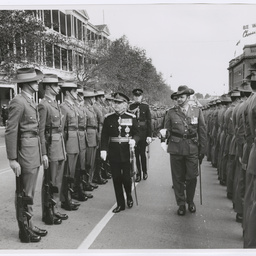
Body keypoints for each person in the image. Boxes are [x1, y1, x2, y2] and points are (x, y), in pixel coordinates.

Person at [5, 67, 47, 242]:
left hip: (33, 150)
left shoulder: (30, 100)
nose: (38, 83)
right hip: (25, 152)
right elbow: (11, 131)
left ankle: (29, 224)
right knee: (24, 192)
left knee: (30, 191)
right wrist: (12, 159)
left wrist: (42, 152)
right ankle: (24, 229)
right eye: (34, 81)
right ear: (26, 83)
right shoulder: (18, 101)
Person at [160, 85, 207, 216]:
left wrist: (203, 149)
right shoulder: (171, 112)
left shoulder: (197, 111)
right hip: (176, 148)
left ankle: (190, 200)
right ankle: (181, 204)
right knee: (178, 178)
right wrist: (163, 139)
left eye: (182, 97)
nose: (179, 99)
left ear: (187, 97)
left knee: (192, 176)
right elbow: (166, 130)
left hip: (192, 148)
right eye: (178, 97)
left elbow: (202, 131)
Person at [100, 92, 140, 213]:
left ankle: (128, 194)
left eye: (118, 102)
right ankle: (120, 203)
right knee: (116, 178)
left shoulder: (131, 117)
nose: (115, 105)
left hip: (127, 152)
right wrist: (103, 149)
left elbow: (138, 133)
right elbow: (104, 136)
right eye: (114, 102)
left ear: (125, 104)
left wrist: (134, 140)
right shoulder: (108, 118)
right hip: (113, 152)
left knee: (127, 179)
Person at [38, 74, 68, 224]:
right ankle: (48, 211)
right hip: (51, 147)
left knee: (58, 181)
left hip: (59, 144)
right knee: (50, 181)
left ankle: (55, 208)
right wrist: (43, 153)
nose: (58, 88)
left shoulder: (55, 104)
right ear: (49, 87)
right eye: (56, 85)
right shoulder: (44, 105)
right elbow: (41, 131)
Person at [59, 81, 80, 211]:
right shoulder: (63, 107)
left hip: (75, 141)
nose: (76, 93)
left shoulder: (72, 107)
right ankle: (65, 199)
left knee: (71, 172)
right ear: (68, 93)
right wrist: (63, 147)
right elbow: (61, 130)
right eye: (74, 91)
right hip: (69, 143)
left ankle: (69, 196)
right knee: (66, 173)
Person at [128, 89, 152, 182]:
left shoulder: (145, 107)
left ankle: (145, 171)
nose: (137, 97)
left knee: (142, 153)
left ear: (141, 97)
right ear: (133, 97)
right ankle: (138, 173)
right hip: (134, 132)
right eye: (135, 96)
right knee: (136, 154)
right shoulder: (130, 107)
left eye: (139, 96)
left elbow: (149, 121)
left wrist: (149, 135)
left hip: (143, 132)